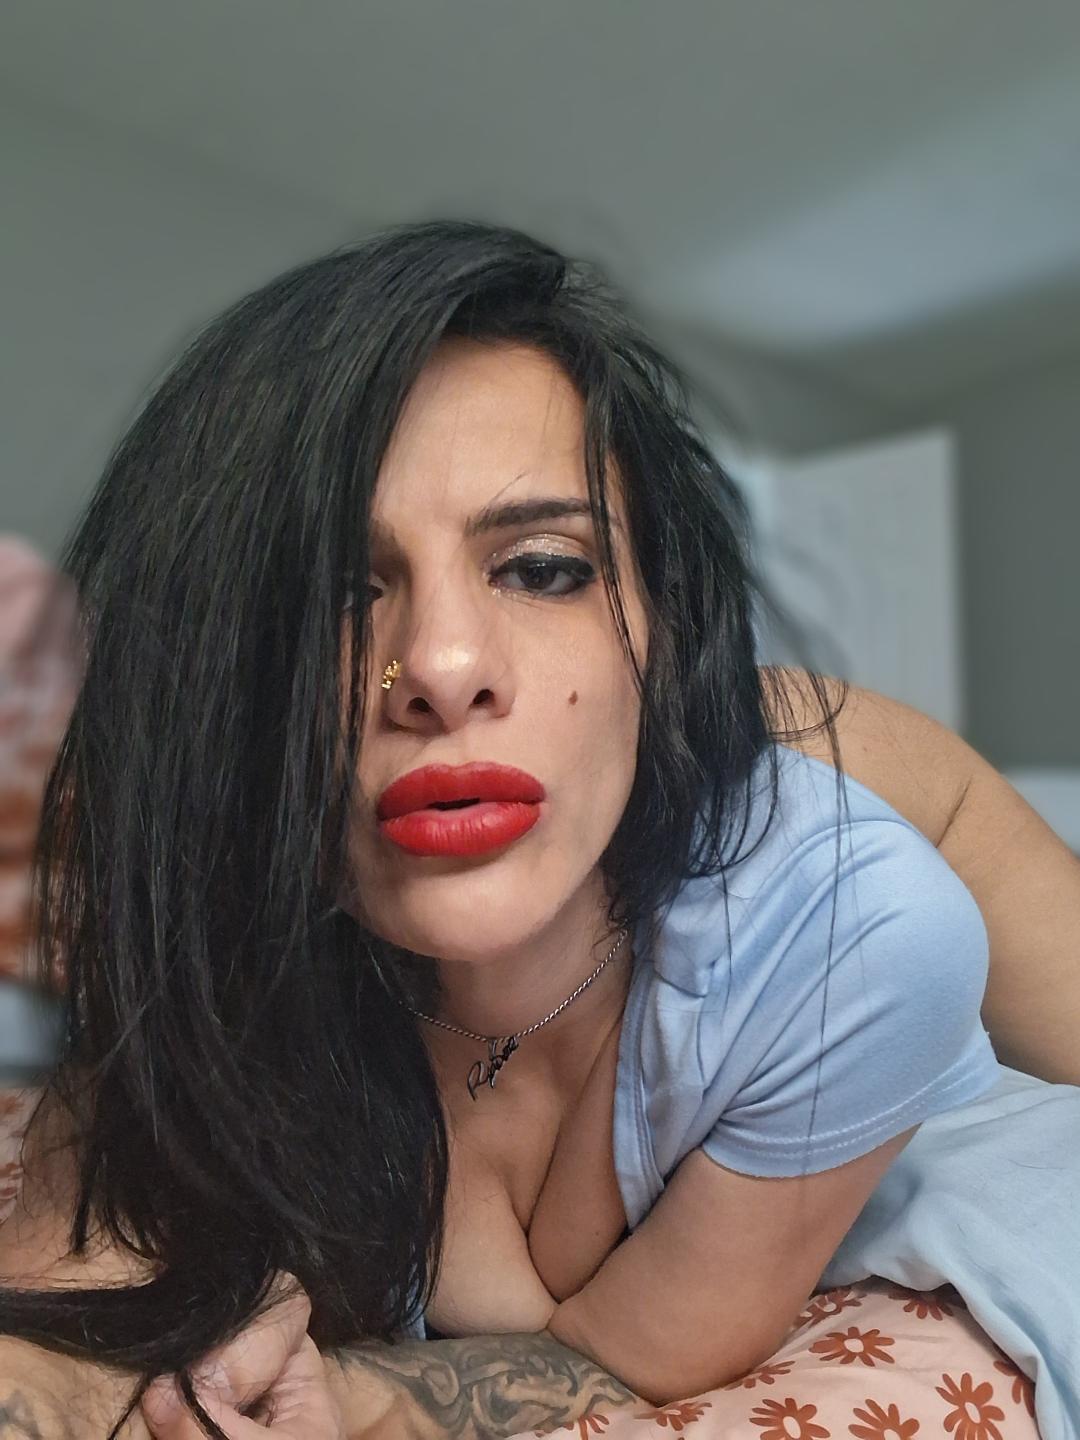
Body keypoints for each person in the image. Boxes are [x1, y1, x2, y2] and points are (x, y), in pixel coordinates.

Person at [1, 220, 1077, 1440]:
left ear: (662, 628)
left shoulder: (842, 900)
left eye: (545, 567)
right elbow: (65, 1321)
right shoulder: (203, 925)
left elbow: (629, 1350)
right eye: (334, 595)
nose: (441, 665)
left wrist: (364, 1392)